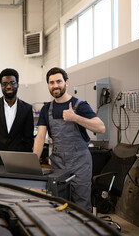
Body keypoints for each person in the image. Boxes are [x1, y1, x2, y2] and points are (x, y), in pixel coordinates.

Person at [33, 67, 105, 212]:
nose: (55, 85)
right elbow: (40, 137)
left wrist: (75, 118)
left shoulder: (80, 105)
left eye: (59, 81)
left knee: (81, 205)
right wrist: (33, 163)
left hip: (80, 163)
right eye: (51, 82)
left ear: (66, 82)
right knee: (59, 204)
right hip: (58, 163)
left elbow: (100, 127)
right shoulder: (46, 109)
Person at [0, 68, 34, 165]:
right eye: (5, 84)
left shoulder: (27, 109)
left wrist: (26, 161)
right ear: (1, 86)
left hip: (18, 161)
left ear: (18, 85)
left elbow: (29, 139)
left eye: (12, 83)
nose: (9, 86)